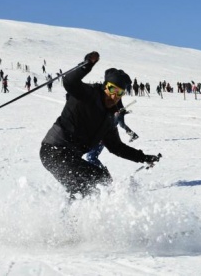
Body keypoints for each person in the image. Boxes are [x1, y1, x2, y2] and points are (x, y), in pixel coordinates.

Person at [39, 52, 161, 200]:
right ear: (105, 87)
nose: (114, 96)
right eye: (111, 89)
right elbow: (69, 82)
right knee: (94, 182)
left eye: (119, 92)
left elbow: (117, 147)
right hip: (54, 151)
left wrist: (143, 157)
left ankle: (74, 220)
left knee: (96, 184)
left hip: (69, 156)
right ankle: (72, 221)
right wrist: (87, 65)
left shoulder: (108, 119)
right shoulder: (88, 94)